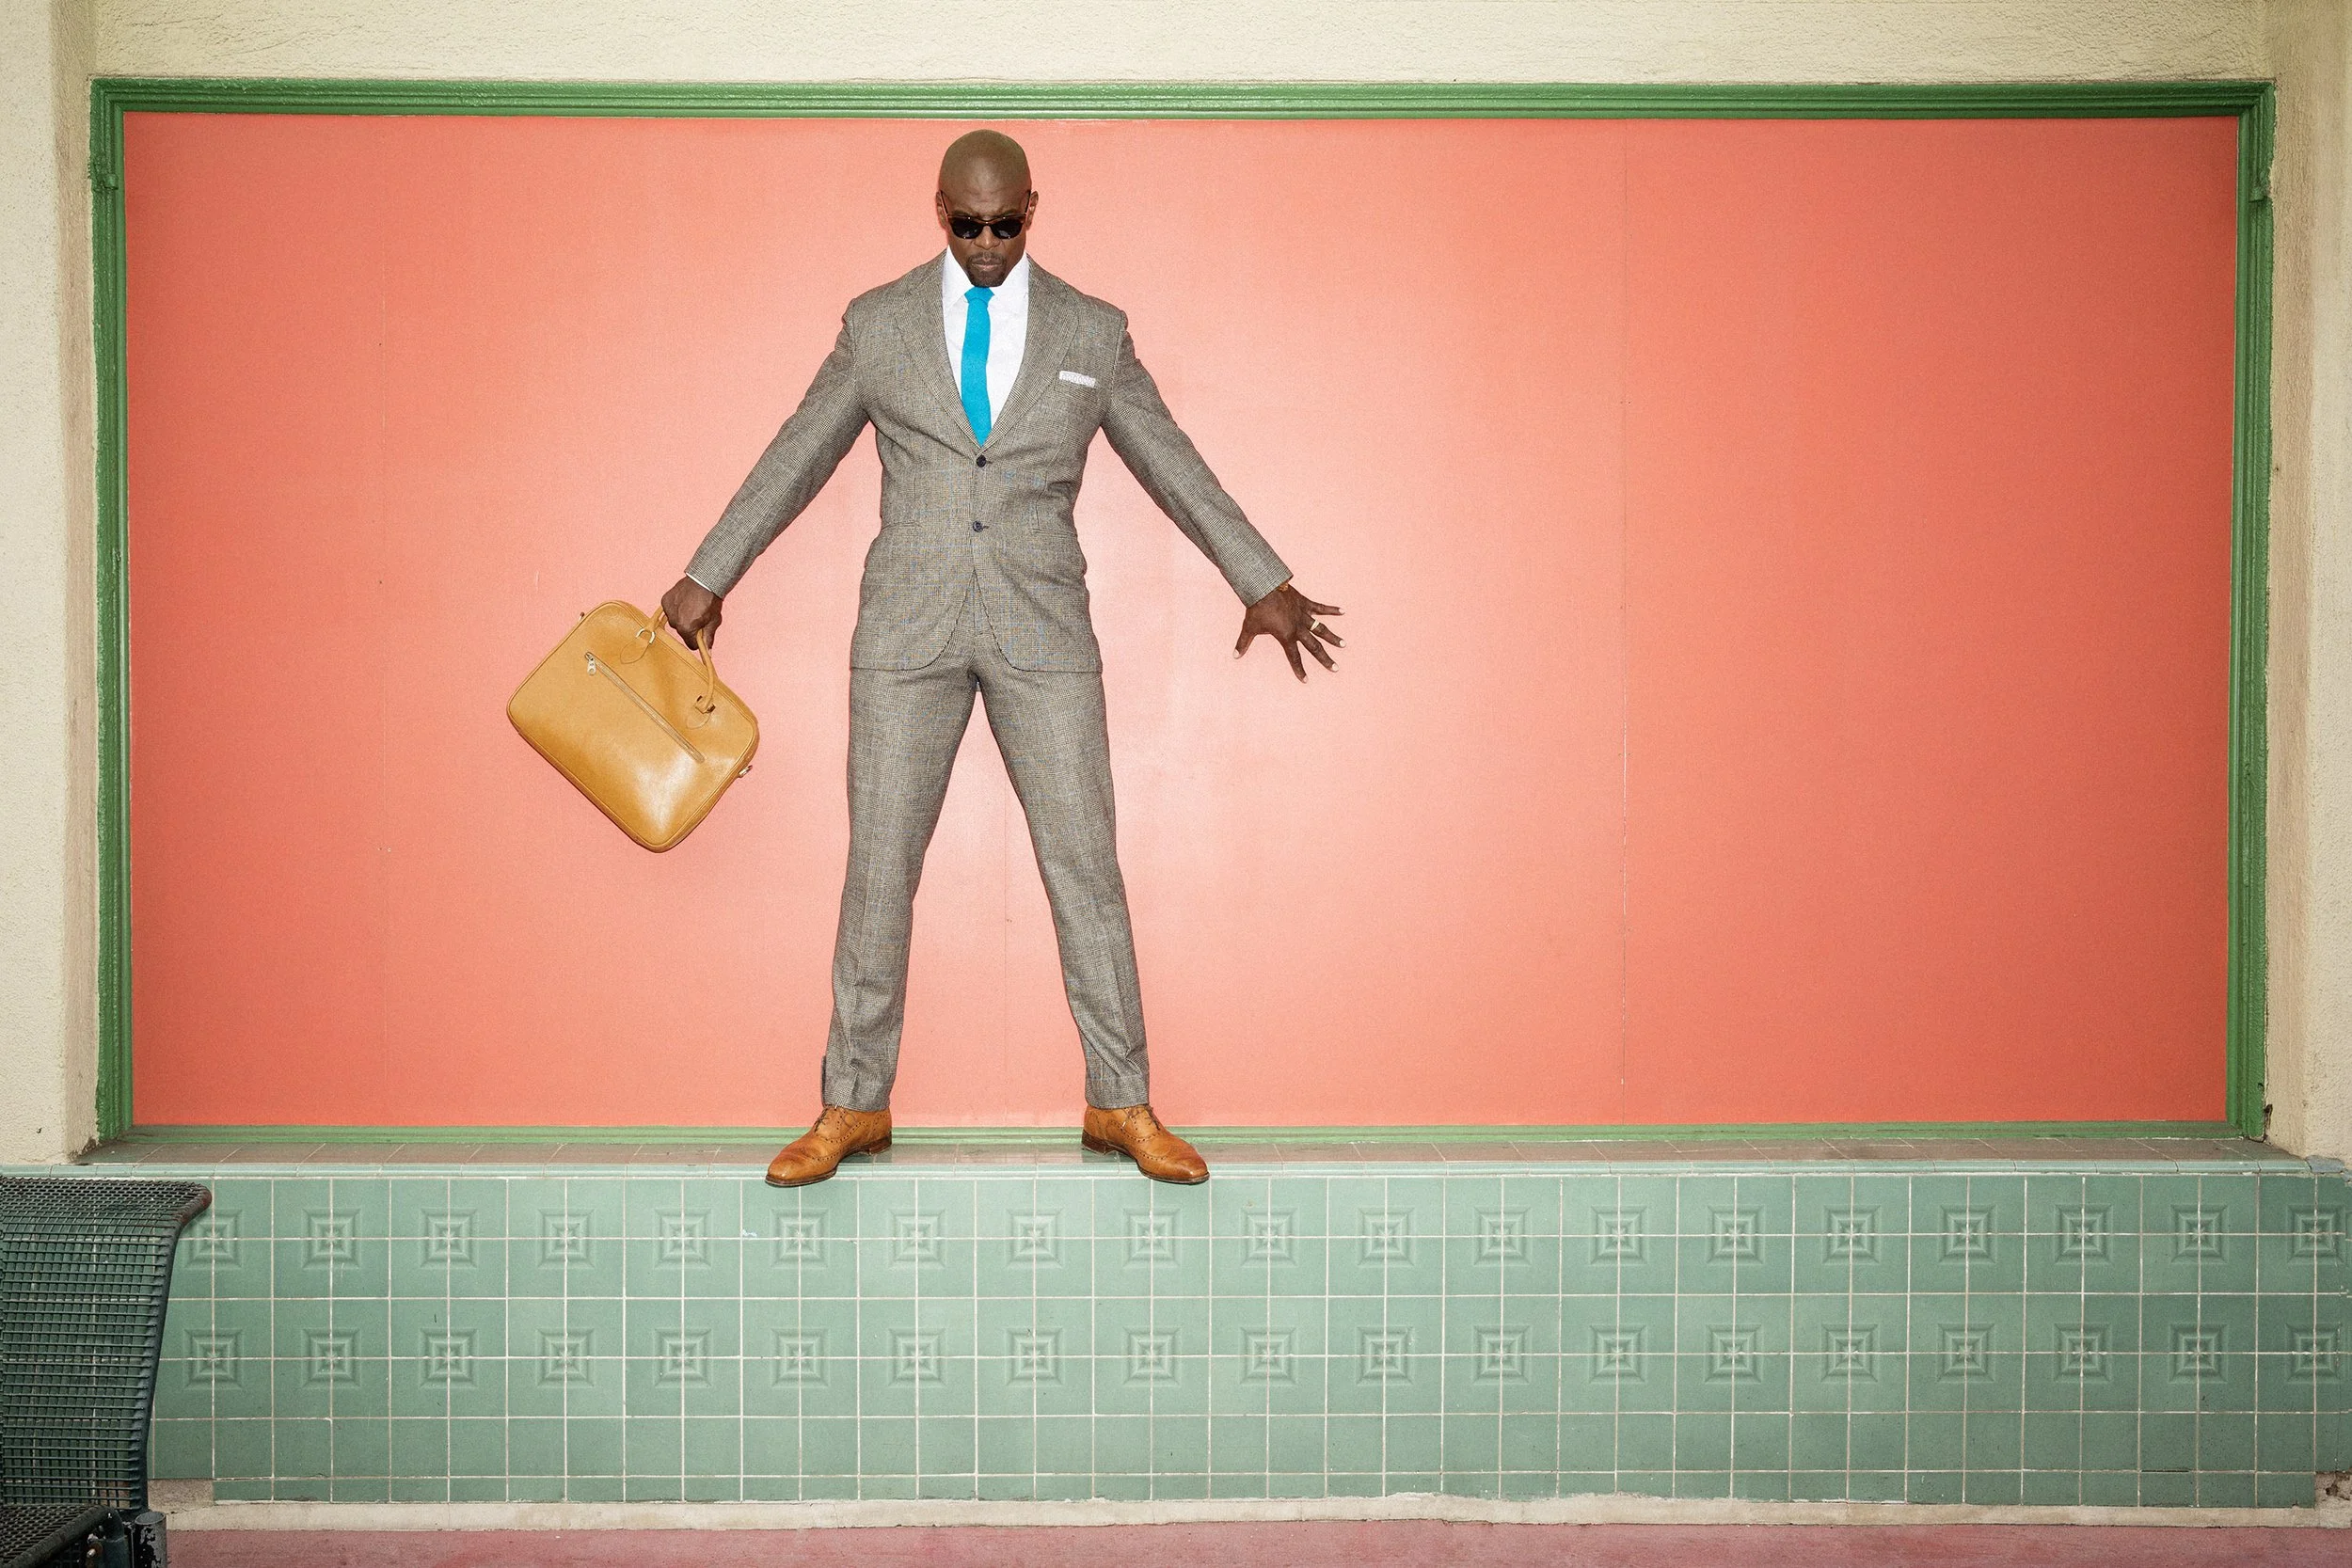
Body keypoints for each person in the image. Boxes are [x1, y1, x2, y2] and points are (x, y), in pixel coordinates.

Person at [661, 129, 1340, 1187]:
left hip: (1044, 631)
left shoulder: (1092, 330)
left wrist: (1261, 579)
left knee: (1085, 865)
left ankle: (1120, 1100)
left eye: (1007, 224)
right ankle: (853, 1101)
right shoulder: (877, 323)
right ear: (941, 211)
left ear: (1033, 207)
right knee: (878, 871)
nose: (987, 244)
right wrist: (711, 570)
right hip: (907, 632)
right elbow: (797, 451)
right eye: (969, 225)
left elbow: (1172, 461)